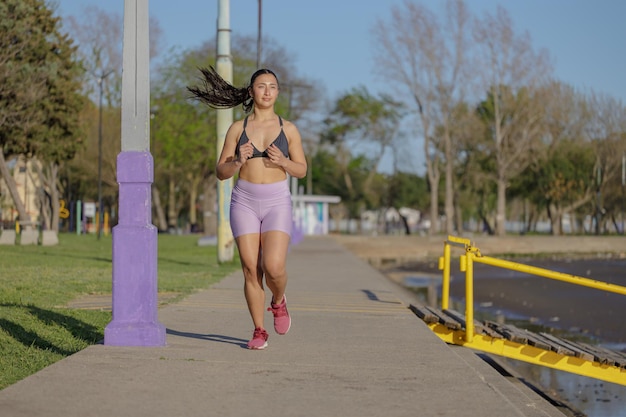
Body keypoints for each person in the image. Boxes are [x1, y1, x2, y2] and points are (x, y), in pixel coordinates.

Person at [188, 67, 307, 349]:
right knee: (251, 269)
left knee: (274, 267)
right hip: (244, 201)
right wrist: (238, 161)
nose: (267, 91)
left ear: (278, 92)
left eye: (273, 86)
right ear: (252, 91)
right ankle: (258, 330)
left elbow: (301, 170)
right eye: (262, 86)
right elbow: (221, 171)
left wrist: (283, 162)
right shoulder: (237, 129)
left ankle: (278, 301)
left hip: (277, 200)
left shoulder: (287, 129)